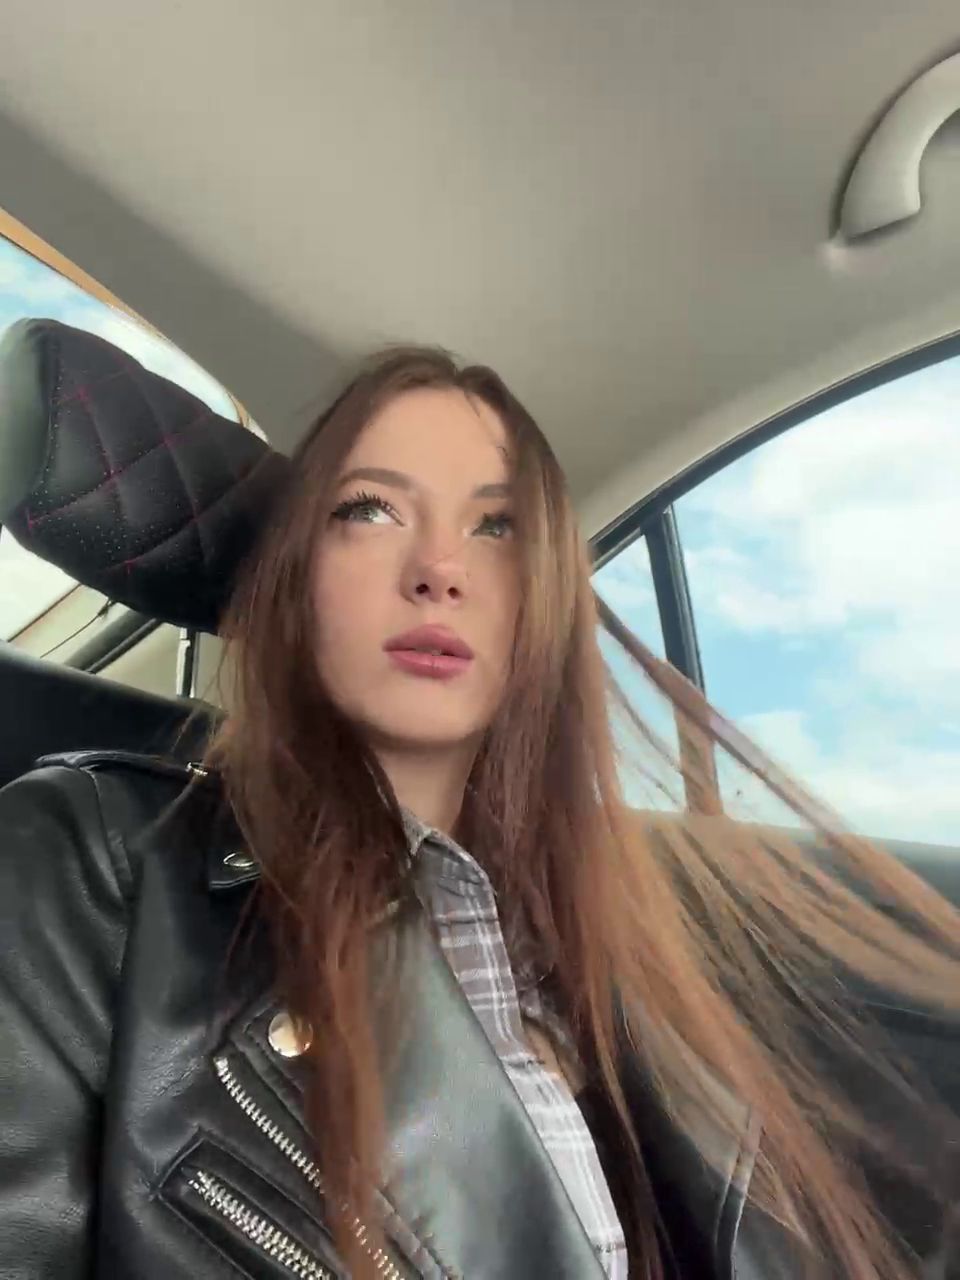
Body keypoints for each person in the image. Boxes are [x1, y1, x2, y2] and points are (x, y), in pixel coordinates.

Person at [0, 346, 957, 1280]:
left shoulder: (621, 945)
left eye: (497, 527)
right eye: (369, 509)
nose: (439, 570)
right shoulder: (86, 868)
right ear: (295, 573)